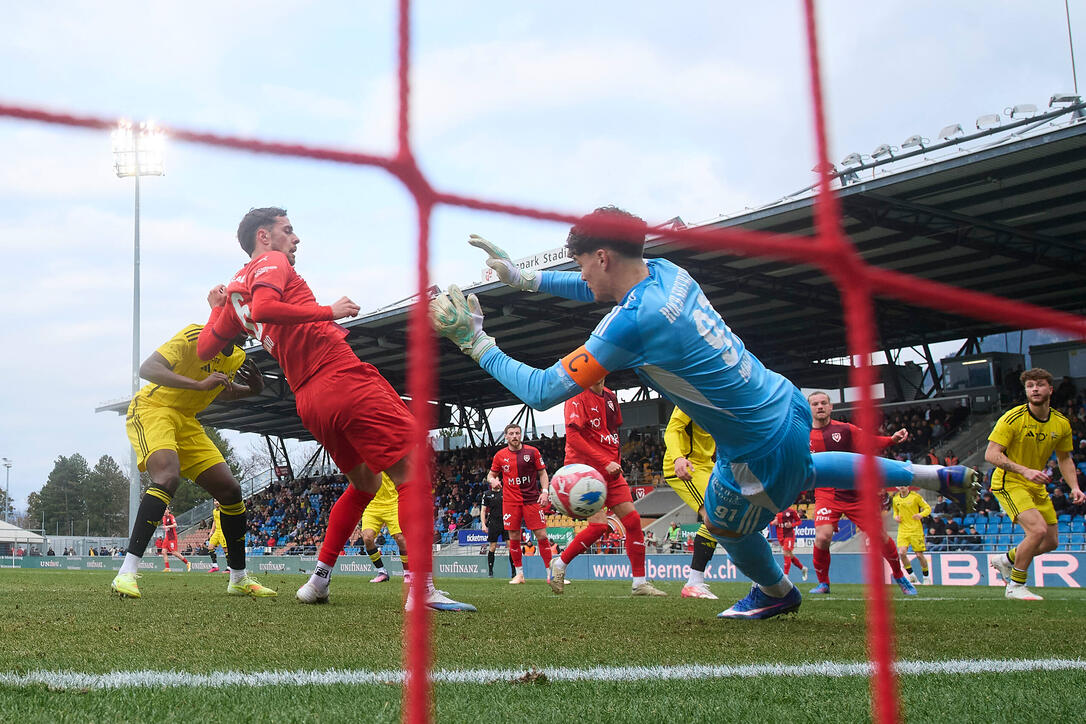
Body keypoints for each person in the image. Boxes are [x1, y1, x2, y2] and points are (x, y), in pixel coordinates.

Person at [431, 206, 977, 619]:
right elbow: (596, 291)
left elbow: (542, 390)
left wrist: (475, 342)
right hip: (784, 402)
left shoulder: (634, 323)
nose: (582, 275)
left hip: (754, 447)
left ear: (602, 257)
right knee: (807, 471)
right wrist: (526, 280)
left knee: (722, 524)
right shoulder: (668, 271)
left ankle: (776, 592)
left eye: (580, 264)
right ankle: (933, 476)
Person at [198, 208, 473, 612]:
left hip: (309, 399)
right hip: (340, 377)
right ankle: (422, 589)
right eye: (288, 230)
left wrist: (214, 308)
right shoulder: (270, 261)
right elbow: (266, 309)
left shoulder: (236, 295)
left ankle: (318, 580)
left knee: (365, 484)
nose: (296, 238)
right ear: (263, 236)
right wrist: (330, 310)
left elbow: (205, 349)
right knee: (412, 470)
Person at [110, 320, 274, 599]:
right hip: (154, 409)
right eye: (244, 321)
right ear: (230, 319)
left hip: (186, 421)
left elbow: (221, 389)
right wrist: (198, 384)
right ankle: (126, 572)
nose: (250, 328)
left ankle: (238, 578)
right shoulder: (195, 335)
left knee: (231, 491)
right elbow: (147, 369)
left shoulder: (237, 356)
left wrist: (252, 390)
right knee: (167, 476)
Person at [549, 378, 665, 596]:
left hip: (611, 471)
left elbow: (611, 432)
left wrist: (614, 461)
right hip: (584, 474)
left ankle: (639, 583)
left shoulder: (611, 396)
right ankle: (560, 563)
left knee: (633, 521)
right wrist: (604, 461)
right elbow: (573, 438)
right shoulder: (577, 396)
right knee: (599, 527)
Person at [985, 368, 1085, 600]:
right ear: (1026, 391)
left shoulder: (1061, 423)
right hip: (1009, 481)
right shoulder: (1012, 418)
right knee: (1037, 530)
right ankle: (1016, 586)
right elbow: (991, 454)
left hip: (1035, 485)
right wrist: (1025, 470)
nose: (1035, 389)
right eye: (1030, 386)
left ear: (1050, 389)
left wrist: (1075, 487)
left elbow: (1064, 458)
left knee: (1051, 541)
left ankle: (1006, 560)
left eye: (1039, 385)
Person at [807, 391, 918, 597]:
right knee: (822, 536)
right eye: (815, 404)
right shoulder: (803, 434)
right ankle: (823, 583)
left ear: (831, 407)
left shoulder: (845, 429)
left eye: (823, 403)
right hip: (827, 493)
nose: (820, 406)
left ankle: (899, 575)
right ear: (809, 408)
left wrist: (891, 439)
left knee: (879, 536)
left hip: (855, 492)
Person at [663, 407, 722, 599]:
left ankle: (694, 582)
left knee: (729, 517)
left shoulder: (725, 399)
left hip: (708, 465)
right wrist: (678, 458)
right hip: (685, 465)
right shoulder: (692, 396)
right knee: (717, 516)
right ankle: (694, 583)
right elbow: (672, 430)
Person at [486, 423, 553, 584]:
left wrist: (545, 491)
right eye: (511, 433)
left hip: (531, 499)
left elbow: (542, 473)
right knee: (514, 536)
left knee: (542, 535)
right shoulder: (500, 456)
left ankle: (551, 574)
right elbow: (490, 475)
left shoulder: (532, 452)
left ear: (521, 434)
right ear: (506, 436)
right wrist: (493, 481)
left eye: (517, 433)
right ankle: (519, 574)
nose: (515, 436)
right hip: (510, 501)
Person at [359, 473, 408, 583]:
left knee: (400, 538)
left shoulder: (389, 462)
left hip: (393, 504)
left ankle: (408, 574)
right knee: (367, 538)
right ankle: (382, 572)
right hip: (372, 506)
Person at [891, 485, 931, 584]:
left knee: (919, 555)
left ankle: (926, 577)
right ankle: (912, 576)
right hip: (903, 530)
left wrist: (920, 515)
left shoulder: (915, 497)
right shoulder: (895, 499)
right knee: (901, 553)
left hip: (916, 530)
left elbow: (927, 508)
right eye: (900, 485)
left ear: (908, 486)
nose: (902, 486)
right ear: (897, 487)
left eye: (904, 484)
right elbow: (895, 512)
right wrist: (895, 517)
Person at [480, 476, 515, 578]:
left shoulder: (505, 492)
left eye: (497, 480)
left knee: (511, 546)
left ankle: (514, 572)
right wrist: (483, 524)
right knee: (492, 547)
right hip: (493, 523)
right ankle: (490, 571)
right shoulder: (487, 494)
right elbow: (483, 510)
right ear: (491, 483)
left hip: (506, 522)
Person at [773, 507, 807, 582]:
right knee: (790, 555)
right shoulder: (775, 509)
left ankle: (785, 576)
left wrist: (792, 524)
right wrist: (773, 522)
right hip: (780, 536)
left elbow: (799, 521)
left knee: (786, 552)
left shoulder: (791, 511)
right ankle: (803, 568)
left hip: (789, 535)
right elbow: (769, 521)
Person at [206, 500, 227, 572]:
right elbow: (214, 521)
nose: (216, 502)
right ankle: (215, 566)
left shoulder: (224, 510)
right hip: (217, 532)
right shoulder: (214, 511)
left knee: (225, 549)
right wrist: (211, 531)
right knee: (210, 547)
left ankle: (229, 567)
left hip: (223, 531)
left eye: (218, 501)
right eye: (215, 501)